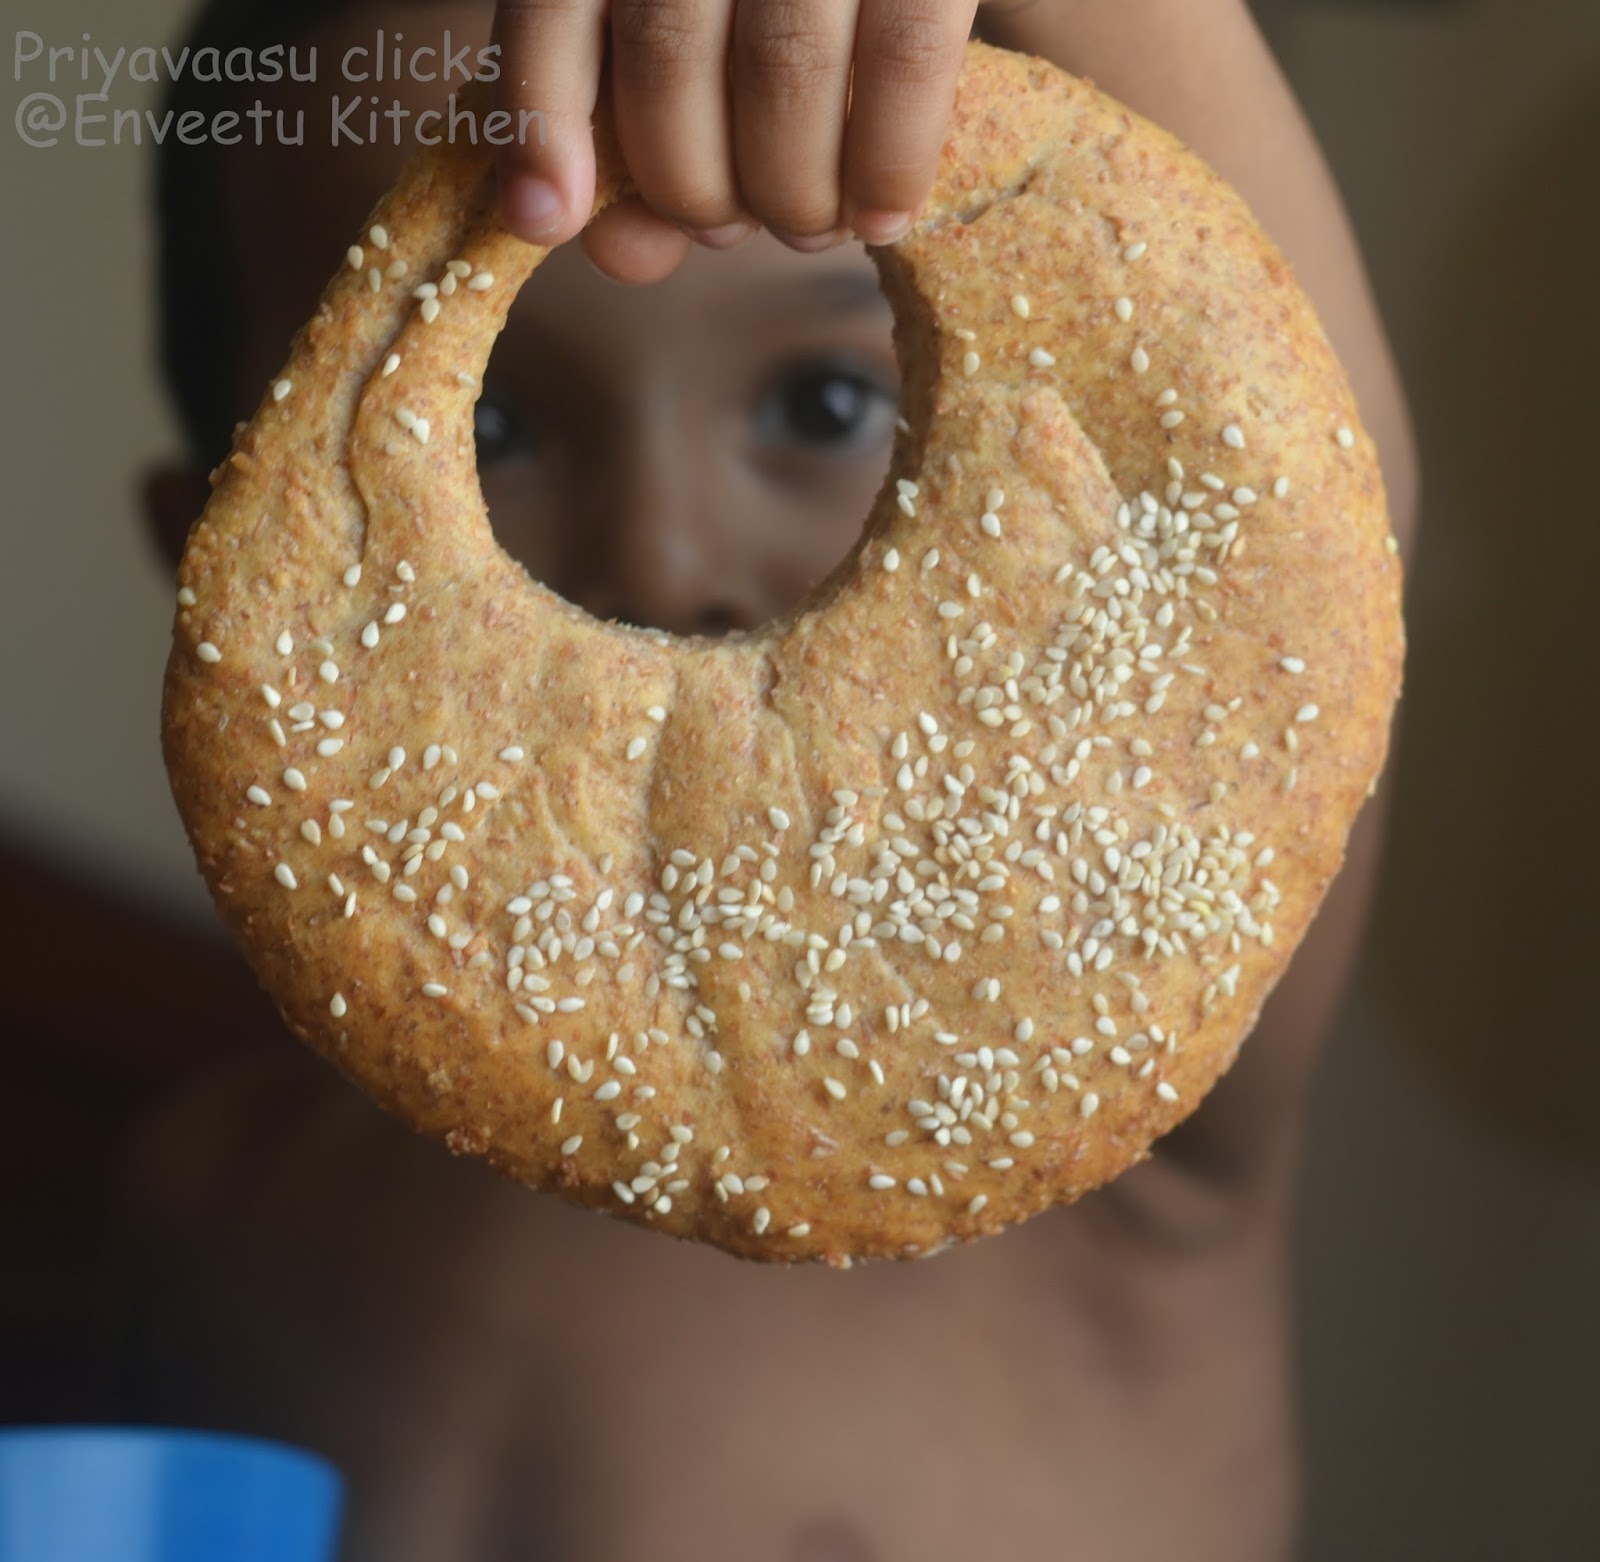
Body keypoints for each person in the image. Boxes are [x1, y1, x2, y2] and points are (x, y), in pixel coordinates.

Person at [124, 1, 1419, 1558]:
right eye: (490, 423)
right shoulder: (211, 1197)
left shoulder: (1091, 1085)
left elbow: (1274, 478)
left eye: (822, 403)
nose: (664, 550)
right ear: (219, 572)